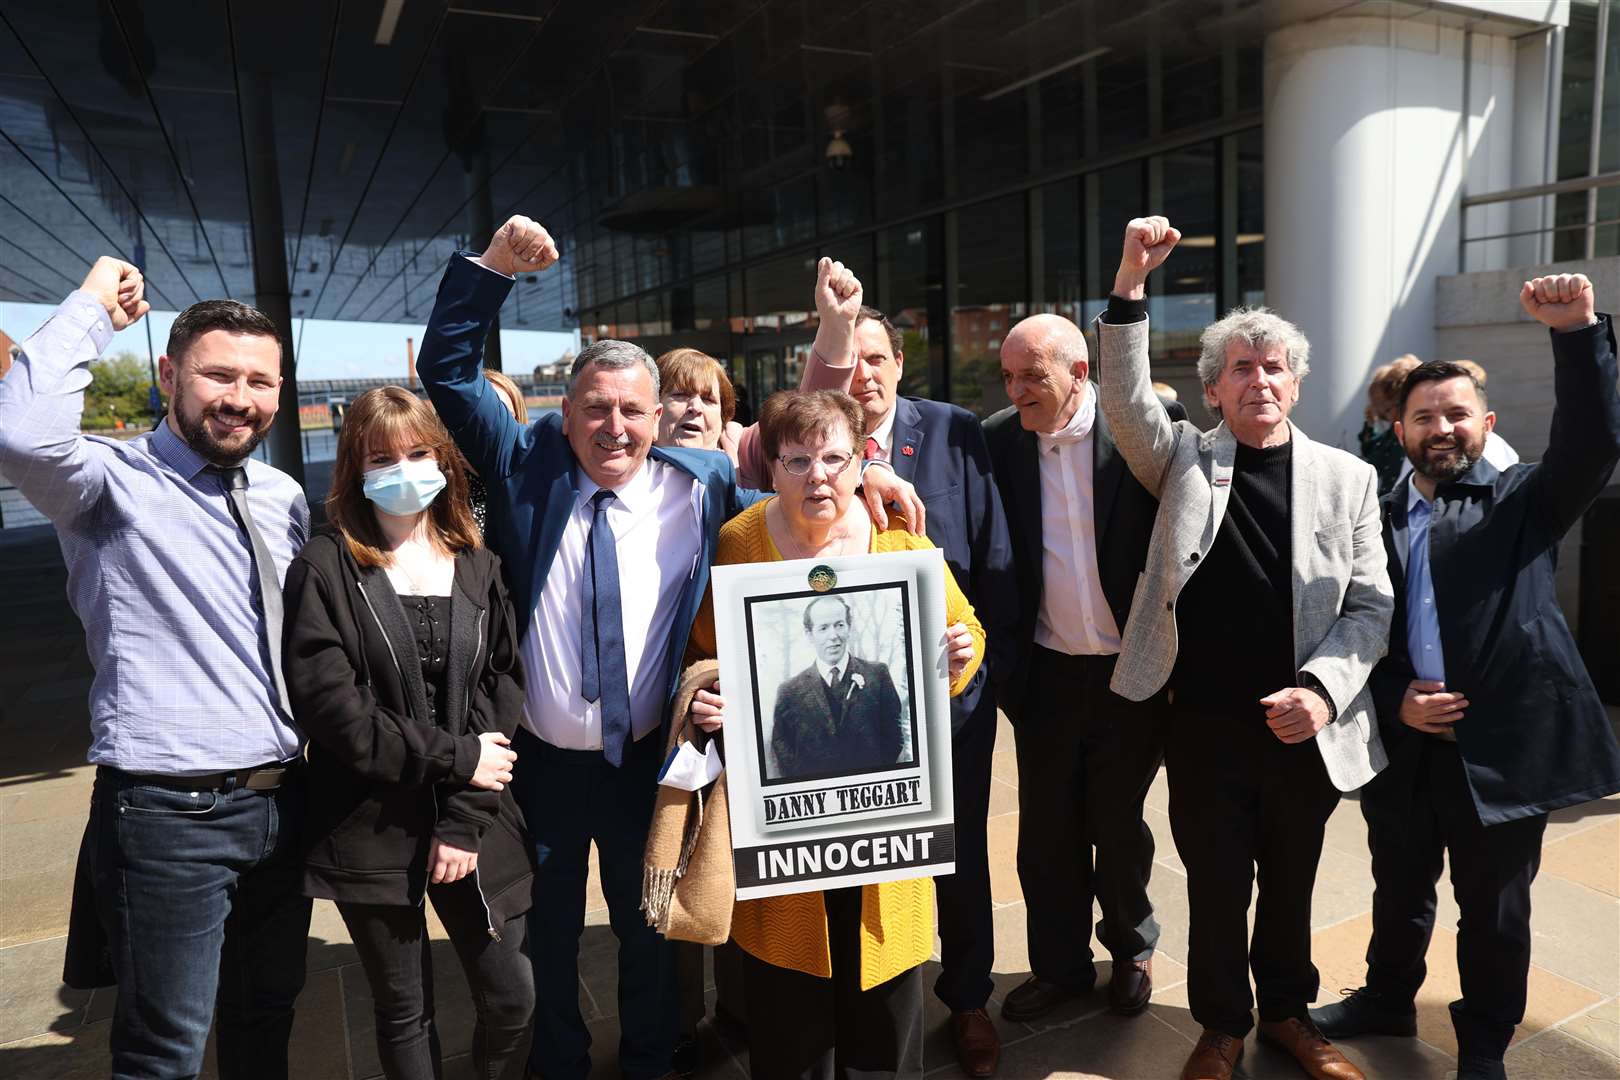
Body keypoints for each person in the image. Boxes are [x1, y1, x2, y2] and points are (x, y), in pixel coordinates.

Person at [414, 215, 920, 1080]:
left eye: (632, 411)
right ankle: (560, 1064)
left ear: (659, 419)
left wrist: (840, 356)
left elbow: (806, 437)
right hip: (539, 763)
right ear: (565, 414)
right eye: (596, 409)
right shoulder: (525, 467)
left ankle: (651, 1061)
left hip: (648, 761)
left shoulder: (706, 482)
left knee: (652, 930)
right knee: (549, 935)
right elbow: (447, 372)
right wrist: (494, 269)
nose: (615, 427)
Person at [0, 258, 313, 1077]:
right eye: (218, 375)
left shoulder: (281, 494)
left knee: (266, 1020)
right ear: (170, 375)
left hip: (284, 804)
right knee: (163, 1050)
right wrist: (92, 310)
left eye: (261, 381)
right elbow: (22, 433)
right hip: (171, 814)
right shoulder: (105, 482)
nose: (241, 397)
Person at [1097, 217, 1394, 1080]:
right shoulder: (1182, 459)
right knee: (1220, 889)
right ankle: (1222, 1025)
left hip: (1301, 730)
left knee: (1293, 887)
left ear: (1295, 384)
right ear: (1215, 390)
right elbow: (1121, 397)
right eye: (1241, 368)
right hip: (1203, 731)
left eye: (1274, 367)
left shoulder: (1350, 478)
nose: (1259, 380)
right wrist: (1130, 283)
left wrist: (1324, 694)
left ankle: (1291, 1017)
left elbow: (1372, 606)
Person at [1309, 274, 1620, 1080]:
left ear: (1483, 424)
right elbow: (1350, 632)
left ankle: (1484, 1042)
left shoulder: (1526, 501)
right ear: (1399, 427)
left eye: (1455, 415)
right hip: (1406, 752)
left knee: (1493, 912)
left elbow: (1593, 441)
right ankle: (1385, 997)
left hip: (1503, 755)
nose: (1440, 427)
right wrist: (1390, 701)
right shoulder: (1370, 515)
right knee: (1399, 890)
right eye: (1423, 417)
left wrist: (1578, 333)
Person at [685, 387, 985, 1079]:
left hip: (888, 830)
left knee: (883, 1028)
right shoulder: (740, 543)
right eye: (797, 460)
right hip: (786, 838)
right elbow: (705, 651)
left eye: (833, 458)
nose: (817, 474)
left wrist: (958, 656)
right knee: (792, 1032)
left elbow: (966, 630)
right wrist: (711, 698)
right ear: (773, 468)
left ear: (861, 463)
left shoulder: (901, 543)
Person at [789, 258, 1017, 1076]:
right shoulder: (809, 459)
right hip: (848, 720)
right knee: (862, 871)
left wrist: (978, 659)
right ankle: (868, 1008)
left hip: (950, 701)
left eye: (882, 358)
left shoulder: (955, 430)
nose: (871, 373)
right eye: (859, 360)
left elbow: (991, 558)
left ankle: (966, 1001)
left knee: (956, 858)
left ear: (898, 368)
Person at [282, 387, 536, 1080]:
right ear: (355, 468)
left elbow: (502, 688)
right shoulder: (325, 566)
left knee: (513, 996)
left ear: (444, 459)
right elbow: (335, 711)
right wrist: (458, 758)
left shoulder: (478, 562)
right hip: (370, 819)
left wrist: (463, 816)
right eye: (383, 456)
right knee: (404, 1011)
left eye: (419, 453)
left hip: (475, 817)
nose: (404, 469)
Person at [982, 314, 1187, 1031]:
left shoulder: (1144, 431)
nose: (1016, 390)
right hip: (1044, 676)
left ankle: (1131, 948)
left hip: (1131, 675)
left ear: (1079, 372)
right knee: (1045, 836)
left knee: (1118, 824)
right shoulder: (998, 441)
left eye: (1030, 375)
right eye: (1007, 376)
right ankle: (1059, 968)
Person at [770, 594, 906, 779]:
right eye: (823, 628)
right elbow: (782, 749)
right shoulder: (789, 691)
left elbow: (894, 735)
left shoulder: (877, 675)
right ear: (809, 634)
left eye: (839, 625)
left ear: (849, 628)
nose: (833, 636)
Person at [1394, 358, 1519, 484]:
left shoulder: (1518, 497)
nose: (1441, 429)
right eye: (1424, 418)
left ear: (1487, 425)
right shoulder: (1380, 504)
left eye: (1458, 415)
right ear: (1401, 433)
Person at [467, 369, 528, 535]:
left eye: (504, 420)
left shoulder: (538, 488)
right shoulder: (436, 501)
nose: (492, 432)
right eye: (480, 421)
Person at [1358, 355, 1418, 494]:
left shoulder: (1415, 435)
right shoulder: (1396, 431)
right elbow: (1373, 453)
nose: (1387, 417)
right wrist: (1370, 424)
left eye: (1387, 410)